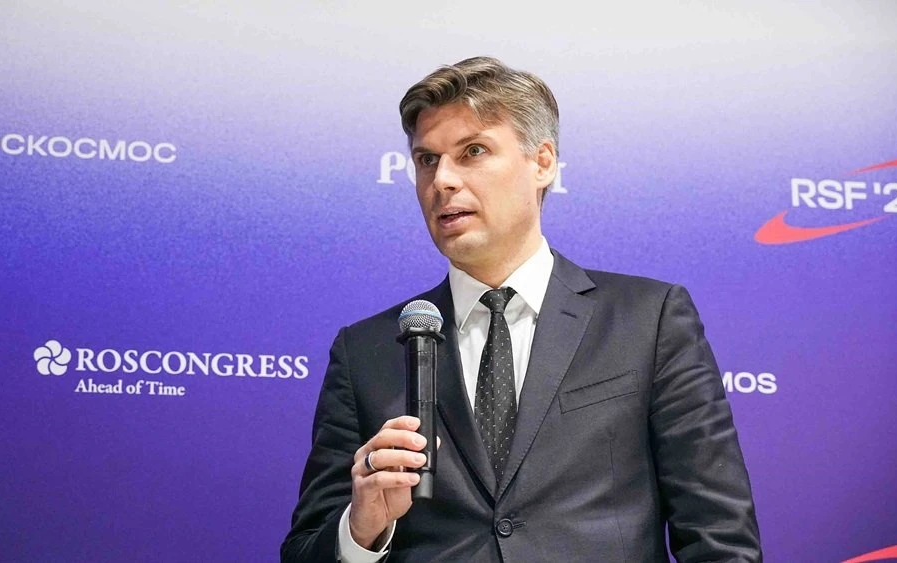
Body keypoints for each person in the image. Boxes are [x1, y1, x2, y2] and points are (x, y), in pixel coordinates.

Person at [281, 56, 762, 562]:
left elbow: (718, 534)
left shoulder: (649, 319)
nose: (442, 180)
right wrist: (360, 531)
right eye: (426, 160)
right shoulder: (365, 351)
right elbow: (305, 550)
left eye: (473, 151)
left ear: (543, 163)